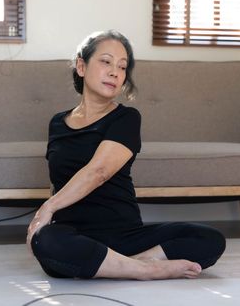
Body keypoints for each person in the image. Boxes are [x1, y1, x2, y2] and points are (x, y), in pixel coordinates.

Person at [26, 30, 225, 280]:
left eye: (122, 67)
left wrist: (47, 208)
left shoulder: (126, 118)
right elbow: (57, 180)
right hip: (76, 234)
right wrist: (43, 224)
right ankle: (144, 268)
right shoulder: (57, 122)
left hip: (127, 235)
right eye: (106, 62)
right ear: (81, 66)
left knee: (209, 238)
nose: (115, 72)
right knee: (48, 241)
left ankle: (122, 264)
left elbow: (99, 172)